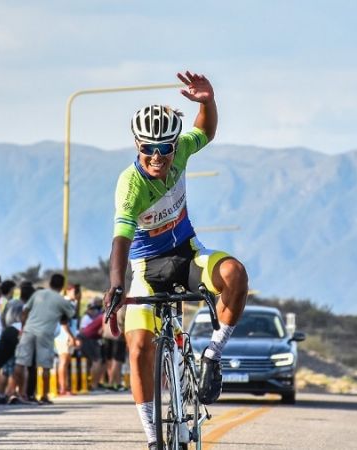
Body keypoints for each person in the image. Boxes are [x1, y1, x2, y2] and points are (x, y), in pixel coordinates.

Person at [103, 72, 249, 449]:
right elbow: (120, 238)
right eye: (149, 148)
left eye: (165, 148)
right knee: (138, 349)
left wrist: (207, 101)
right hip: (146, 270)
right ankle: (153, 439)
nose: (157, 156)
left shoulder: (180, 150)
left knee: (235, 273)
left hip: (187, 254)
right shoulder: (131, 185)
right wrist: (115, 284)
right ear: (137, 145)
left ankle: (212, 355)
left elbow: (206, 130)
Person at [12, 274, 76, 404]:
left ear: (50, 282)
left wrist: (24, 327)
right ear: (62, 286)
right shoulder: (61, 300)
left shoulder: (38, 294)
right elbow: (71, 314)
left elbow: (25, 311)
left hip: (29, 330)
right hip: (45, 333)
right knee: (45, 366)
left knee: (20, 362)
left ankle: (18, 393)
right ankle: (44, 395)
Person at [55, 283, 80, 396]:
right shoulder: (65, 303)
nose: (77, 294)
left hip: (70, 335)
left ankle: (66, 387)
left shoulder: (73, 303)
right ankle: (62, 388)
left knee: (67, 362)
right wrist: (71, 337)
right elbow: (63, 322)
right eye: (75, 292)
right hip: (63, 336)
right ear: (68, 291)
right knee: (63, 362)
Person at [76, 297, 105, 390]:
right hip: (88, 338)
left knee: (95, 361)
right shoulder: (104, 316)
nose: (94, 311)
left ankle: (94, 383)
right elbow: (101, 331)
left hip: (88, 338)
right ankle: (94, 384)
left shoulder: (101, 316)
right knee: (97, 361)